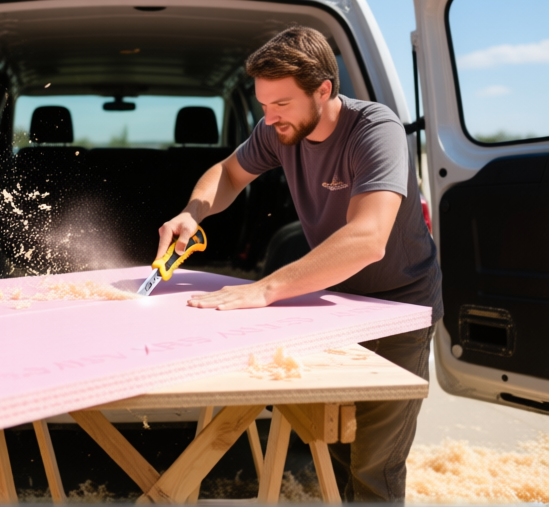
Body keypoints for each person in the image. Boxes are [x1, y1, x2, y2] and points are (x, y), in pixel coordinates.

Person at [156, 25, 442, 502]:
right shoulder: (279, 130)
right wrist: (193, 211)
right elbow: (227, 172)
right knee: (329, 448)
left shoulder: (375, 129)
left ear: (324, 89)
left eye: (281, 104)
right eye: (263, 106)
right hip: (333, 304)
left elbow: (368, 239)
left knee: (375, 465)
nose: (268, 119)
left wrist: (264, 289)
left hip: (398, 306)